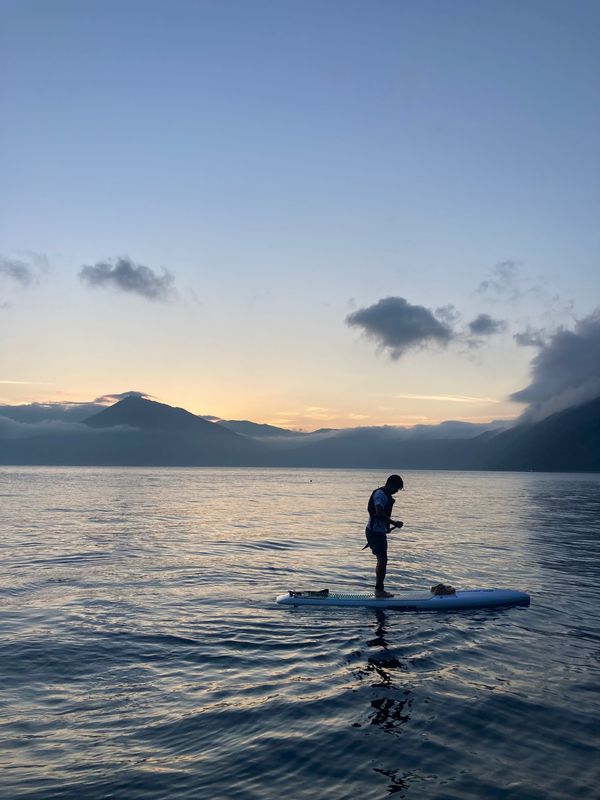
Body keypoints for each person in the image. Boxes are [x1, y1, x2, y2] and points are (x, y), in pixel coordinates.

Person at [365, 474, 404, 598]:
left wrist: (387, 527)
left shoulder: (385, 495)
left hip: (378, 531)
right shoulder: (381, 494)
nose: (396, 491)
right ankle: (379, 591)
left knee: (382, 560)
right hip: (374, 532)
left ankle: (379, 590)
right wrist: (394, 523)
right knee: (382, 560)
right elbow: (379, 511)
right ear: (390, 484)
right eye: (397, 488)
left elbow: (381, 516)